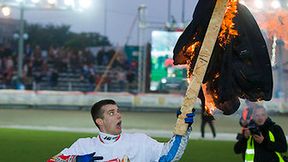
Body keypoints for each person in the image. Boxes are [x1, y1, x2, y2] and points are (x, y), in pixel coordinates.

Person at [47, 99, 195, 162]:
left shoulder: (139, 141)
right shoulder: (83, 146)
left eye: (118, 111)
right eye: (111, 113)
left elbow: (169, 156)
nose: (118, 114)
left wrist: (183, 128)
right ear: (100, 121)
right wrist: (75, 160)